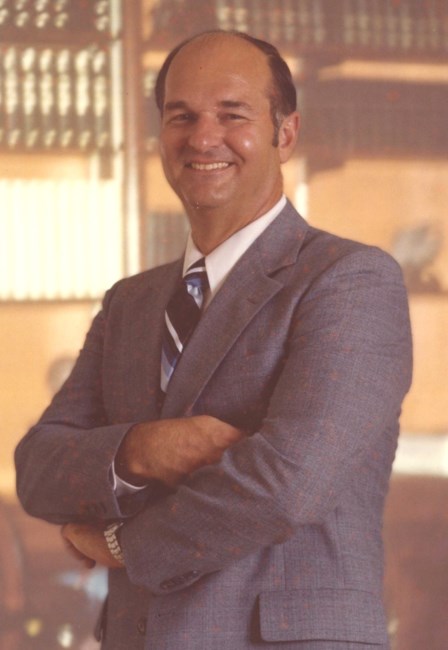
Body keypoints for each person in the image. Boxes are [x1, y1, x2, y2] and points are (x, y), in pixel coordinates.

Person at [15, 30, 412, 650]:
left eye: (233, 115)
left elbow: (287, 485)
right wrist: (141, 450)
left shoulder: (349, 280)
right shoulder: (131, 302)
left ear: (286, 133)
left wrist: (121, 544)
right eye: (182, 116)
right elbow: (37, 467)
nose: (203, 138)